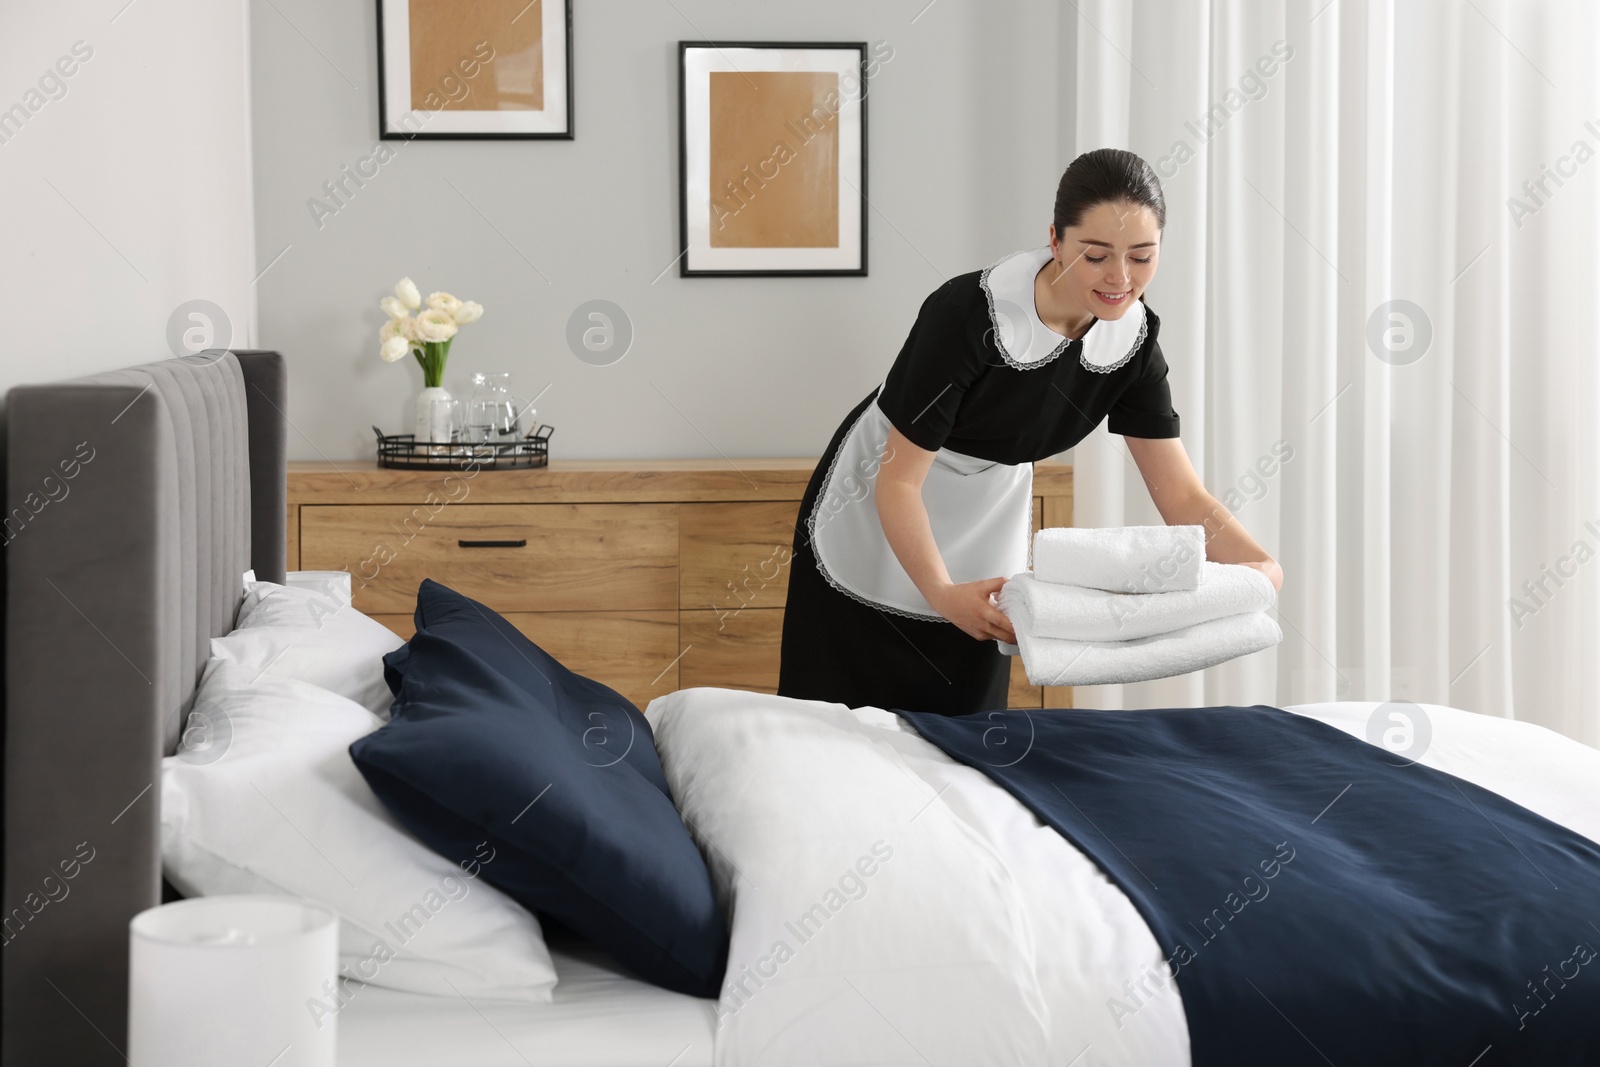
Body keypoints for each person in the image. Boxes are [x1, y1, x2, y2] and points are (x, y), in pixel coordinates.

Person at [776, 147, 1284, 715]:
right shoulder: (971, 314)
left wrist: (1258, 564)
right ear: (1056, 240)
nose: (1121, 278)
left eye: (1142, 257)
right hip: (880, 498)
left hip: (988, 506)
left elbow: (1182, 493)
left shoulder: (1134, 344)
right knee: (838, 716)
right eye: (1097, 256)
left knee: (963, 717)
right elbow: (897, 483)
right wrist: (942, 594)